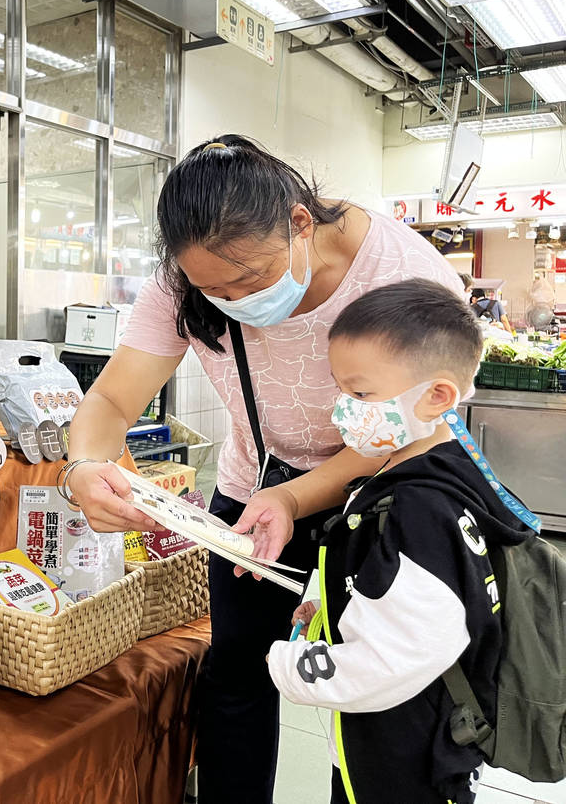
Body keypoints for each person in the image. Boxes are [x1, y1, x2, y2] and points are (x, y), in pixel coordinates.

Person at [64, 134, 460, 803]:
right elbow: (109, 399)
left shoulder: (402, 275)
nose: (232, 299)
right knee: (237, 677)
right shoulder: (184, 282)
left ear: (300, 222)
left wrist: (298, 499)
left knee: (377, 697)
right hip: (252, 497)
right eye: (210, 288)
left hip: (380, 500)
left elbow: (407, 427)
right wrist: (83, 467)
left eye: (249, 279)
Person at [268, 280, 533, 804]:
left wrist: (289, 667)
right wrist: (330, 608)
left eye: (362, 394)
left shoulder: (419, 506)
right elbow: (405, 587)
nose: (344, 408)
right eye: (342, 389)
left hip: (408, 750)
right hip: (406, 734)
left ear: (437, 396)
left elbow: (400, 655)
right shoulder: (432, 470)